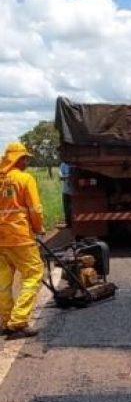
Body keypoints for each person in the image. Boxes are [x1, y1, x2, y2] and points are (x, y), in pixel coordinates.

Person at [0, 142, 46, 340]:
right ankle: (18, 321)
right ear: (19, 159)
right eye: (25, 158)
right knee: (33, 274)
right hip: (20, 238)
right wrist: (38, 228)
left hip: (1, 240)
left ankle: (5, 319)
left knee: (3, 280)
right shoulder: (24, 179)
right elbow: (35, 209)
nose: (27, 161)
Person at [59, 159, 73, 227]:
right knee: (67, 208)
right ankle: (68, 223)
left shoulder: (75, 164)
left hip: (75, 191)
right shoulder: (63, 164)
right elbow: (60, 174)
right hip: (66, 191)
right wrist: (65, 177)